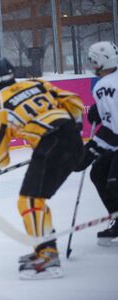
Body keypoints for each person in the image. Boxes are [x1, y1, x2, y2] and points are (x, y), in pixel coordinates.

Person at [0, 58, 84, 279]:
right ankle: (43, 248)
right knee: (34, 200)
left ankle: (47, 255)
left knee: (29, 201)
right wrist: (74, 129)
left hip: (50, 144)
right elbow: (73, 101)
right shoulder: (35, 84)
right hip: (71, 140)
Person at [74, 41, 118, 246]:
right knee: (99, 171)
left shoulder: (104, 86)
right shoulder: (108, 84)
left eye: (92, 61)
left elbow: (115, 129)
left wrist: (93, 147)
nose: (91, 65)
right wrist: (99, 111)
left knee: (113, 181)